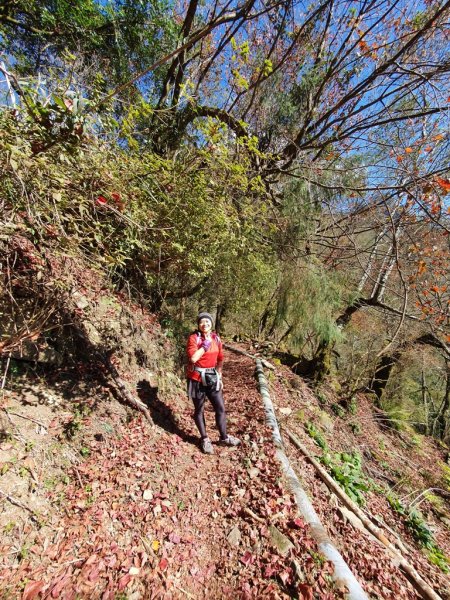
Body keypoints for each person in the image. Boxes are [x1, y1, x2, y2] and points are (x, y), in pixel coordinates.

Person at [186, 312, 241, 454]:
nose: (205, 324)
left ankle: (224, 437)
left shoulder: (216, 338)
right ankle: (204, 439)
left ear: (211, 323)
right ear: (198, 325)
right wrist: (205, 345)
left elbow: (220, 359)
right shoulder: (194, 338)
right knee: (199, 409)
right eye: (202, 322)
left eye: (207, 321)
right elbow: (193, 358)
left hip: (212, 377)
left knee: (220, 407)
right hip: (196, 378)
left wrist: (219, 376)